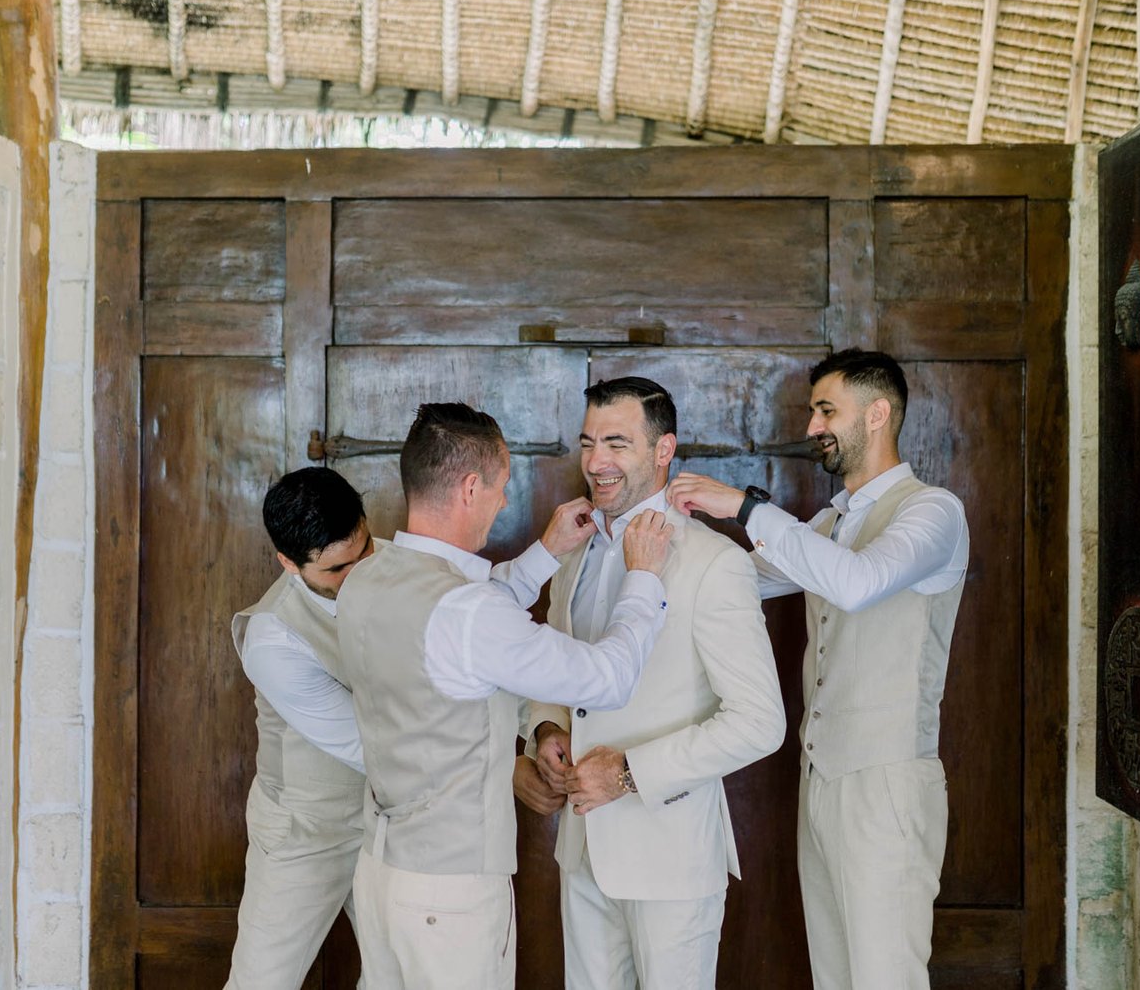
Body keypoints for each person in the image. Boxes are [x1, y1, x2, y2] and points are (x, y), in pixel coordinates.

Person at [339, 402, 674, 990]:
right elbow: (610, 678)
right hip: (451, 895)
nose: (501, 503)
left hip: (380, 873)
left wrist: (545, 552)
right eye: (499, 487)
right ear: (471, 488)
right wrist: (643, 577)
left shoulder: (369, 577)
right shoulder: (469, 612)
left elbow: (466, 618)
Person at [666, 348, 970, 990]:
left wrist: (744, 507)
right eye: (813, 412)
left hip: (887, 783)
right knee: (832, 976)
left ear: (878, 414)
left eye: (827, 410)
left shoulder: (933, 511)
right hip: (820, 780)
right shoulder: (831, 520)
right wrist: (656, 530)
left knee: (886, 978)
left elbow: (858, 583)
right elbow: (740, 582)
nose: (812, 427)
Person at [225, 466, 573, 989]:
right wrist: (506, 770)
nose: (358, 575)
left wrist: (540, 725)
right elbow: (377, 744)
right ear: (289, 564)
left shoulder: (392, 560)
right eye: (336, 569)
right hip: (306, 830)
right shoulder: (272, 640)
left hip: (395, 824)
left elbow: (478, 633)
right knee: (261, 982)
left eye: (364, 551)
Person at [526, 377, 785, 990]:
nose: (596, 462)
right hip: (582, 847)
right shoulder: (572, 551)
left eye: (617, 443)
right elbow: (550, 665)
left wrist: (628, 772)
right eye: (588, 443)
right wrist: (544, 728)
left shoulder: (713, 562)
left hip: (671, 856)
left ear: (664, 449)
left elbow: (760, 722)